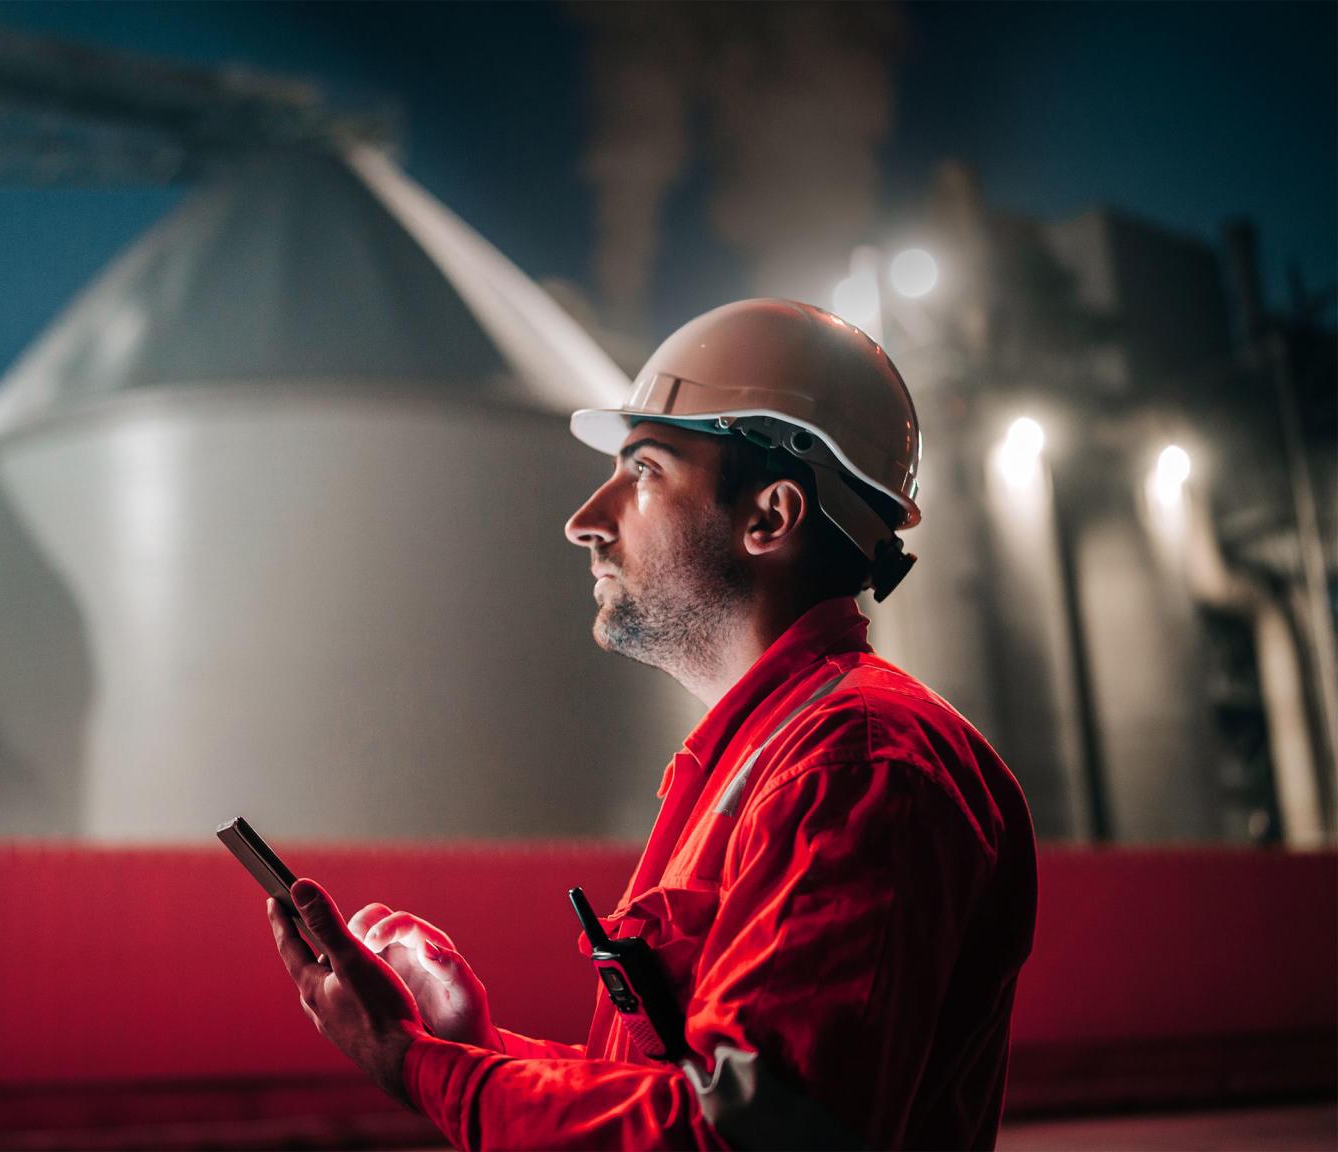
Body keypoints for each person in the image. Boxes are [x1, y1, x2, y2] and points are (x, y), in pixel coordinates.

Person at [267, 299, 1038, 1150]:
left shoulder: (857, 761)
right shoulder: (761, 758)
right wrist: (465, 1046)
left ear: (770, 517)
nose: (585, 520)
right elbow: (671, 1091)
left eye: (642, 472)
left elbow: (747, 1137)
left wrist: (422, 1069)